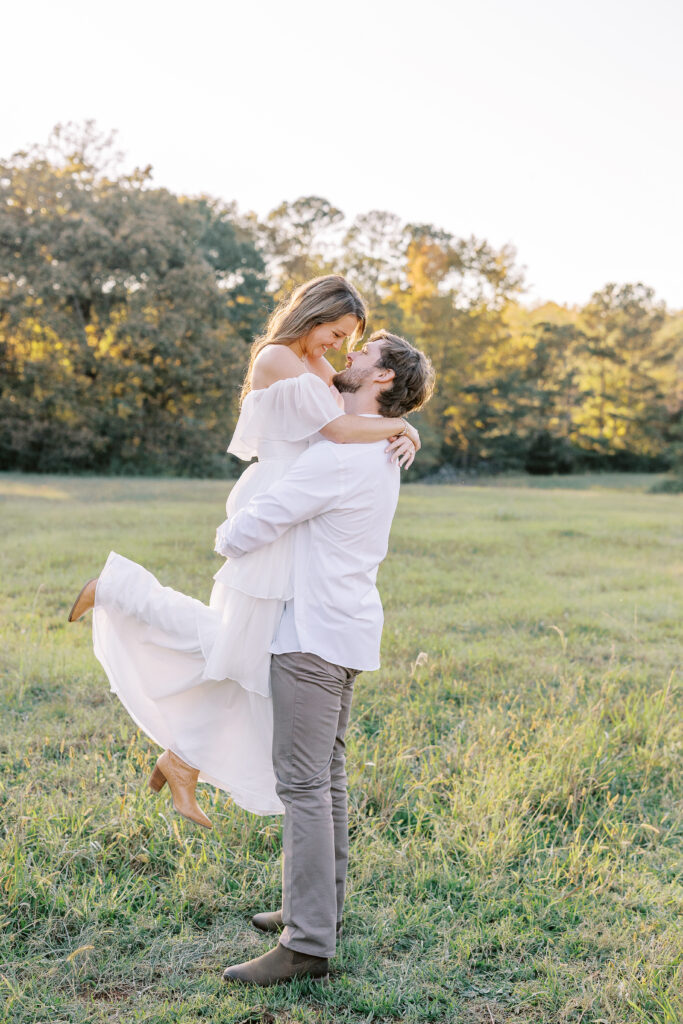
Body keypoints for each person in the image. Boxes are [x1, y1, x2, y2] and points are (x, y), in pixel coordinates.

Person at [67, 276, 420, 828]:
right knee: (236, 645)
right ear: (316, 314)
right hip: (278, 500)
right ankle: (120, 590)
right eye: (337, 331)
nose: (340, 346)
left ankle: (183, 759)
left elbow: (351, 410)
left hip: (296, 504)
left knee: (248, 656)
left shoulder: (314, 361)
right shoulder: (279, 357)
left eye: (351, 339)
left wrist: (400, 427)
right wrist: (400, 425)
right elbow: (337, 428)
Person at [218, 328, 435, 985]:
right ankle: (315, 907)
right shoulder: (375, 447)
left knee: (303, 785)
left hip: (310, 634)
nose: (347, 356)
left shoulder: (342, 455)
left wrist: (230, 524)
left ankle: (307, 943)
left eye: (361, 353)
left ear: (383, 379)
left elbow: (243, 532)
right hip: (343, 628)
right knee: (325, 779)